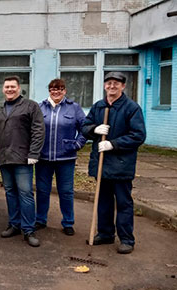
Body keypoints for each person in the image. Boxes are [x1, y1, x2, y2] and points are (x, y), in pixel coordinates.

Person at [82, 72, 146, 254]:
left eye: (116, 84)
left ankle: (126, 239)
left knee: (124, 203)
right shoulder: (99, 106)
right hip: (101, 164)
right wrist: (94, 129)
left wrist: (113, 144)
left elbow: (138, 135)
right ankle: (105, 233)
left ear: (123, 86)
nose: (112, 86)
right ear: (104, 86)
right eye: (109, 83)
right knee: (103, 201)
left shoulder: (131, 108)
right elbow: (85, 127)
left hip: (121, 164)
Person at [0, 75, 44, 247]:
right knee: (10, 192)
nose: (9, 89)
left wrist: (34, 154)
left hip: (23, 158)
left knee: (26, 194)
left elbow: (39, 131)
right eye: (6, 87)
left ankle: (28, 229)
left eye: (12, 87)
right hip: (5, 158)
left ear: (19, 88)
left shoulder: (30, 106)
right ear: (3, 89)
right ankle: (14, 224)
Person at [35, 79, 87, 236]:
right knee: (42, 190)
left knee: (66, 191)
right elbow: (32, 128)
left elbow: (85, 129)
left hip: (66, 158)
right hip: (43, 158)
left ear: (65, 91)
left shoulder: (74, 108)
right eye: (52, 89)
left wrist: (78, 144)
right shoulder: (40, 107)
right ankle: (40, 219)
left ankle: (68, 222)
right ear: (49, 91)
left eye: (59, 89)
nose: (55, 92)